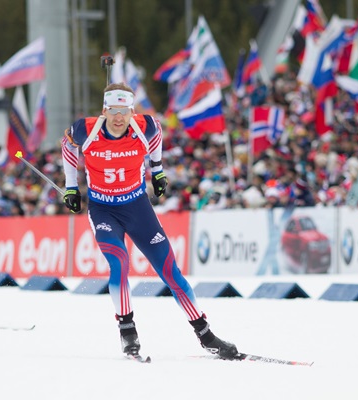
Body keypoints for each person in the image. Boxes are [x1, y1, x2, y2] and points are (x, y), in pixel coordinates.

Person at [61, 83, 238, 359]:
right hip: (104, 210)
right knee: (119, 263)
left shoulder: (146, 127)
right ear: (104, 110)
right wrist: (71, 186)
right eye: (113, 111)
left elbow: (156, 139)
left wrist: (157, 170)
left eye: (125, 111)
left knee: (171, 272)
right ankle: (127, 331)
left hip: (137, 207)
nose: (119, 118)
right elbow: (67, 147)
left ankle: (206, 335)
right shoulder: (86, 129)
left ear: (132, 111)